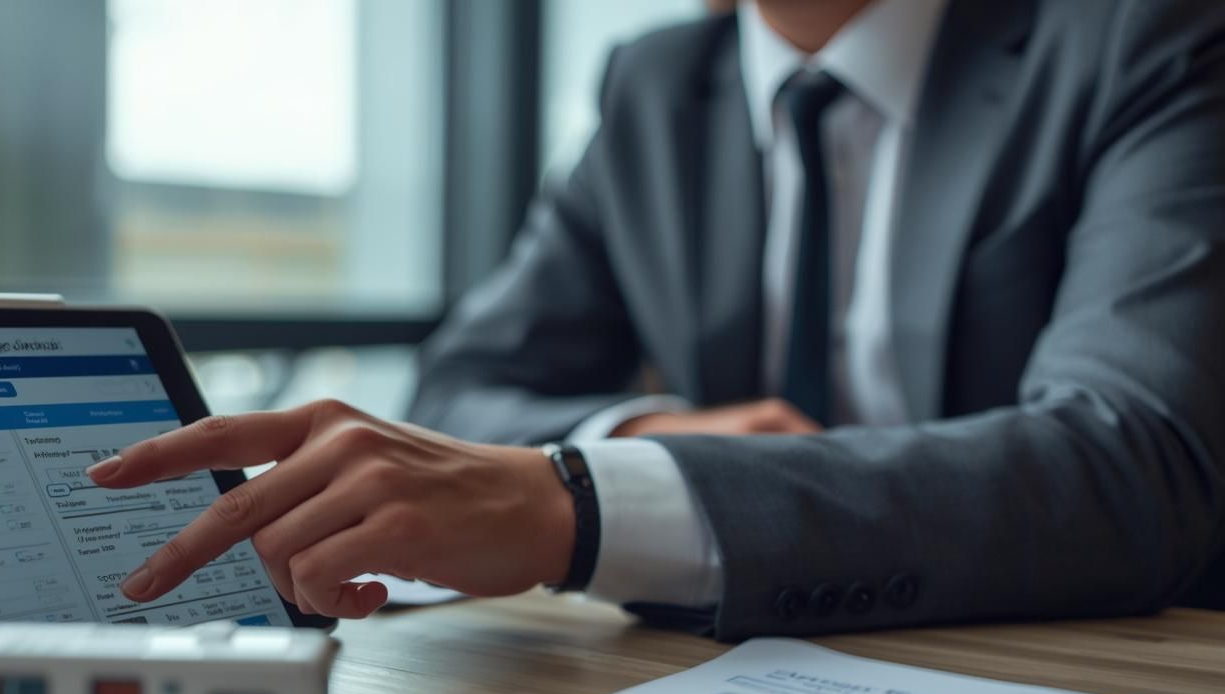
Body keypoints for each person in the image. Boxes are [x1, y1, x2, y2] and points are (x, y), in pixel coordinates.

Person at [91, 0, 1225, 640]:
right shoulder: (655, 83)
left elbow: (1140, 463)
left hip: (1080, 664)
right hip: (722, 670)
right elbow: (464, 387)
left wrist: (587, 504)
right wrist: (645, 446)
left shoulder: (1146, 37)